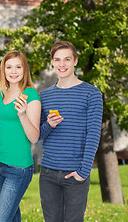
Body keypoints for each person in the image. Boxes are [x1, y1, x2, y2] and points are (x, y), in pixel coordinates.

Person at [39, 41, 103, 222]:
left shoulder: (92, 94)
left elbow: (93, 134)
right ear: (52, 62)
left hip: (75, 174)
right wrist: (49, 125)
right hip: (48, 174)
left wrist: (83, 172)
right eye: (57, 60)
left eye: (67, 59)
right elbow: (37, 137)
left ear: (75, 61)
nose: (62, 64)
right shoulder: (44, 96)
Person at [0, 51, 41, 222]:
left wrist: (22, 114)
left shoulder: (30, 95)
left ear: (24, 69)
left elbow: (34, 137)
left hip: (18, 168)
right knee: (12, 217)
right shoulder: (0, 95)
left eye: (18, 67)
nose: (13, 71)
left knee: (0, 219)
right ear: (3, 70)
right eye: (9, 67)